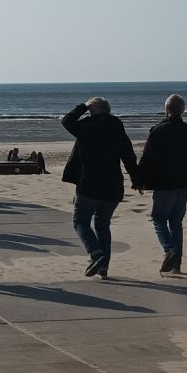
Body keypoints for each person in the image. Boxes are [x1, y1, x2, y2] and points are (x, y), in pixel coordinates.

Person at [61, 97, 139, 279]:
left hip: (89, 184)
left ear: (92, 111)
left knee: (80, 222)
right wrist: (137, 179)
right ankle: (103, 268)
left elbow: (67, 121)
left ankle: (95, 254)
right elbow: (129, 156)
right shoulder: (118, 129)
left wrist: (83, 106)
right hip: (113, 186)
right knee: (103, 224)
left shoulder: (86, 127)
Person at [138, 94, 187, 275]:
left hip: (164, 182)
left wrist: (139, 180)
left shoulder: (158, 131)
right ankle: (176, 264)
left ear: (166, 109)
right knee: (176, 222)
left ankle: (170, 250)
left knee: (159, 218)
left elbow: (146, 158)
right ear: (182, 110)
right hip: (184, 183)